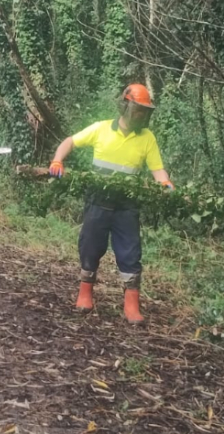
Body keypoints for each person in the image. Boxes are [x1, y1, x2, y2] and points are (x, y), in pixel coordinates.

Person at [48, 84, 173, 325]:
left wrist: (165, 183)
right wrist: (57, 160)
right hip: (98, 199)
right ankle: (85, 293)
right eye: (139, 110)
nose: (142, 115)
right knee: (90, 245)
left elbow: (157, 168)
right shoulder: (101, 129)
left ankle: (132, 304)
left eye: (146, 111)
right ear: (125, 105)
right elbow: (70, 142)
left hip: (127, 204)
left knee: (130, 250)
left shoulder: (147, 138)